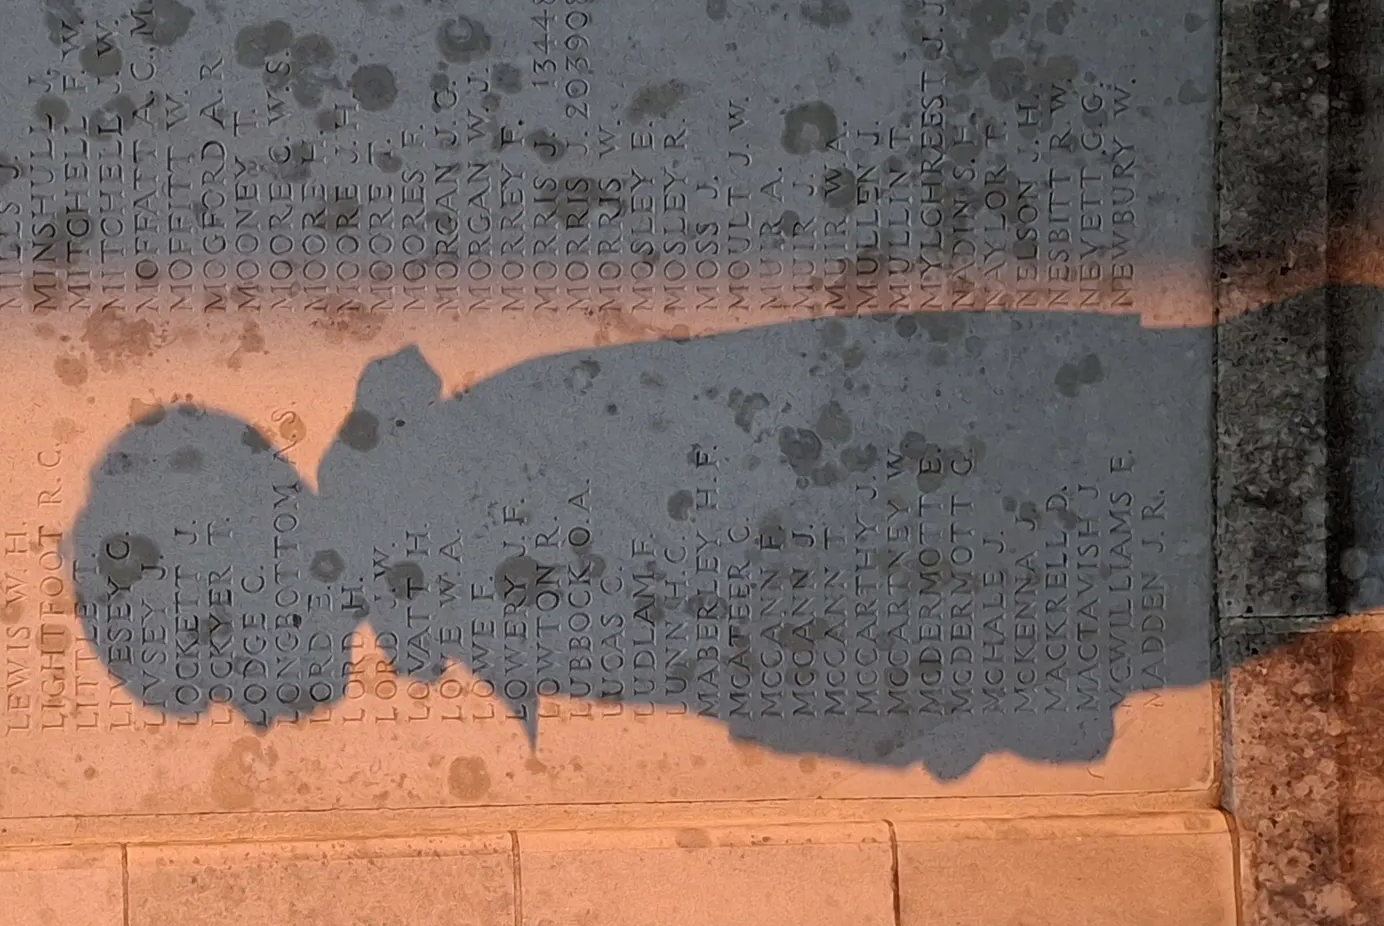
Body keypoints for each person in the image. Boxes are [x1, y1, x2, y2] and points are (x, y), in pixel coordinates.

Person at [68, 310, 1211, 778]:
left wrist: (945, 712)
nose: (253, 720)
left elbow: (798, 567)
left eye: (215, 677)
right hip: (1077, 522)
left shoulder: (469, 541)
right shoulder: (451, 525)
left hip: (1103, 502)